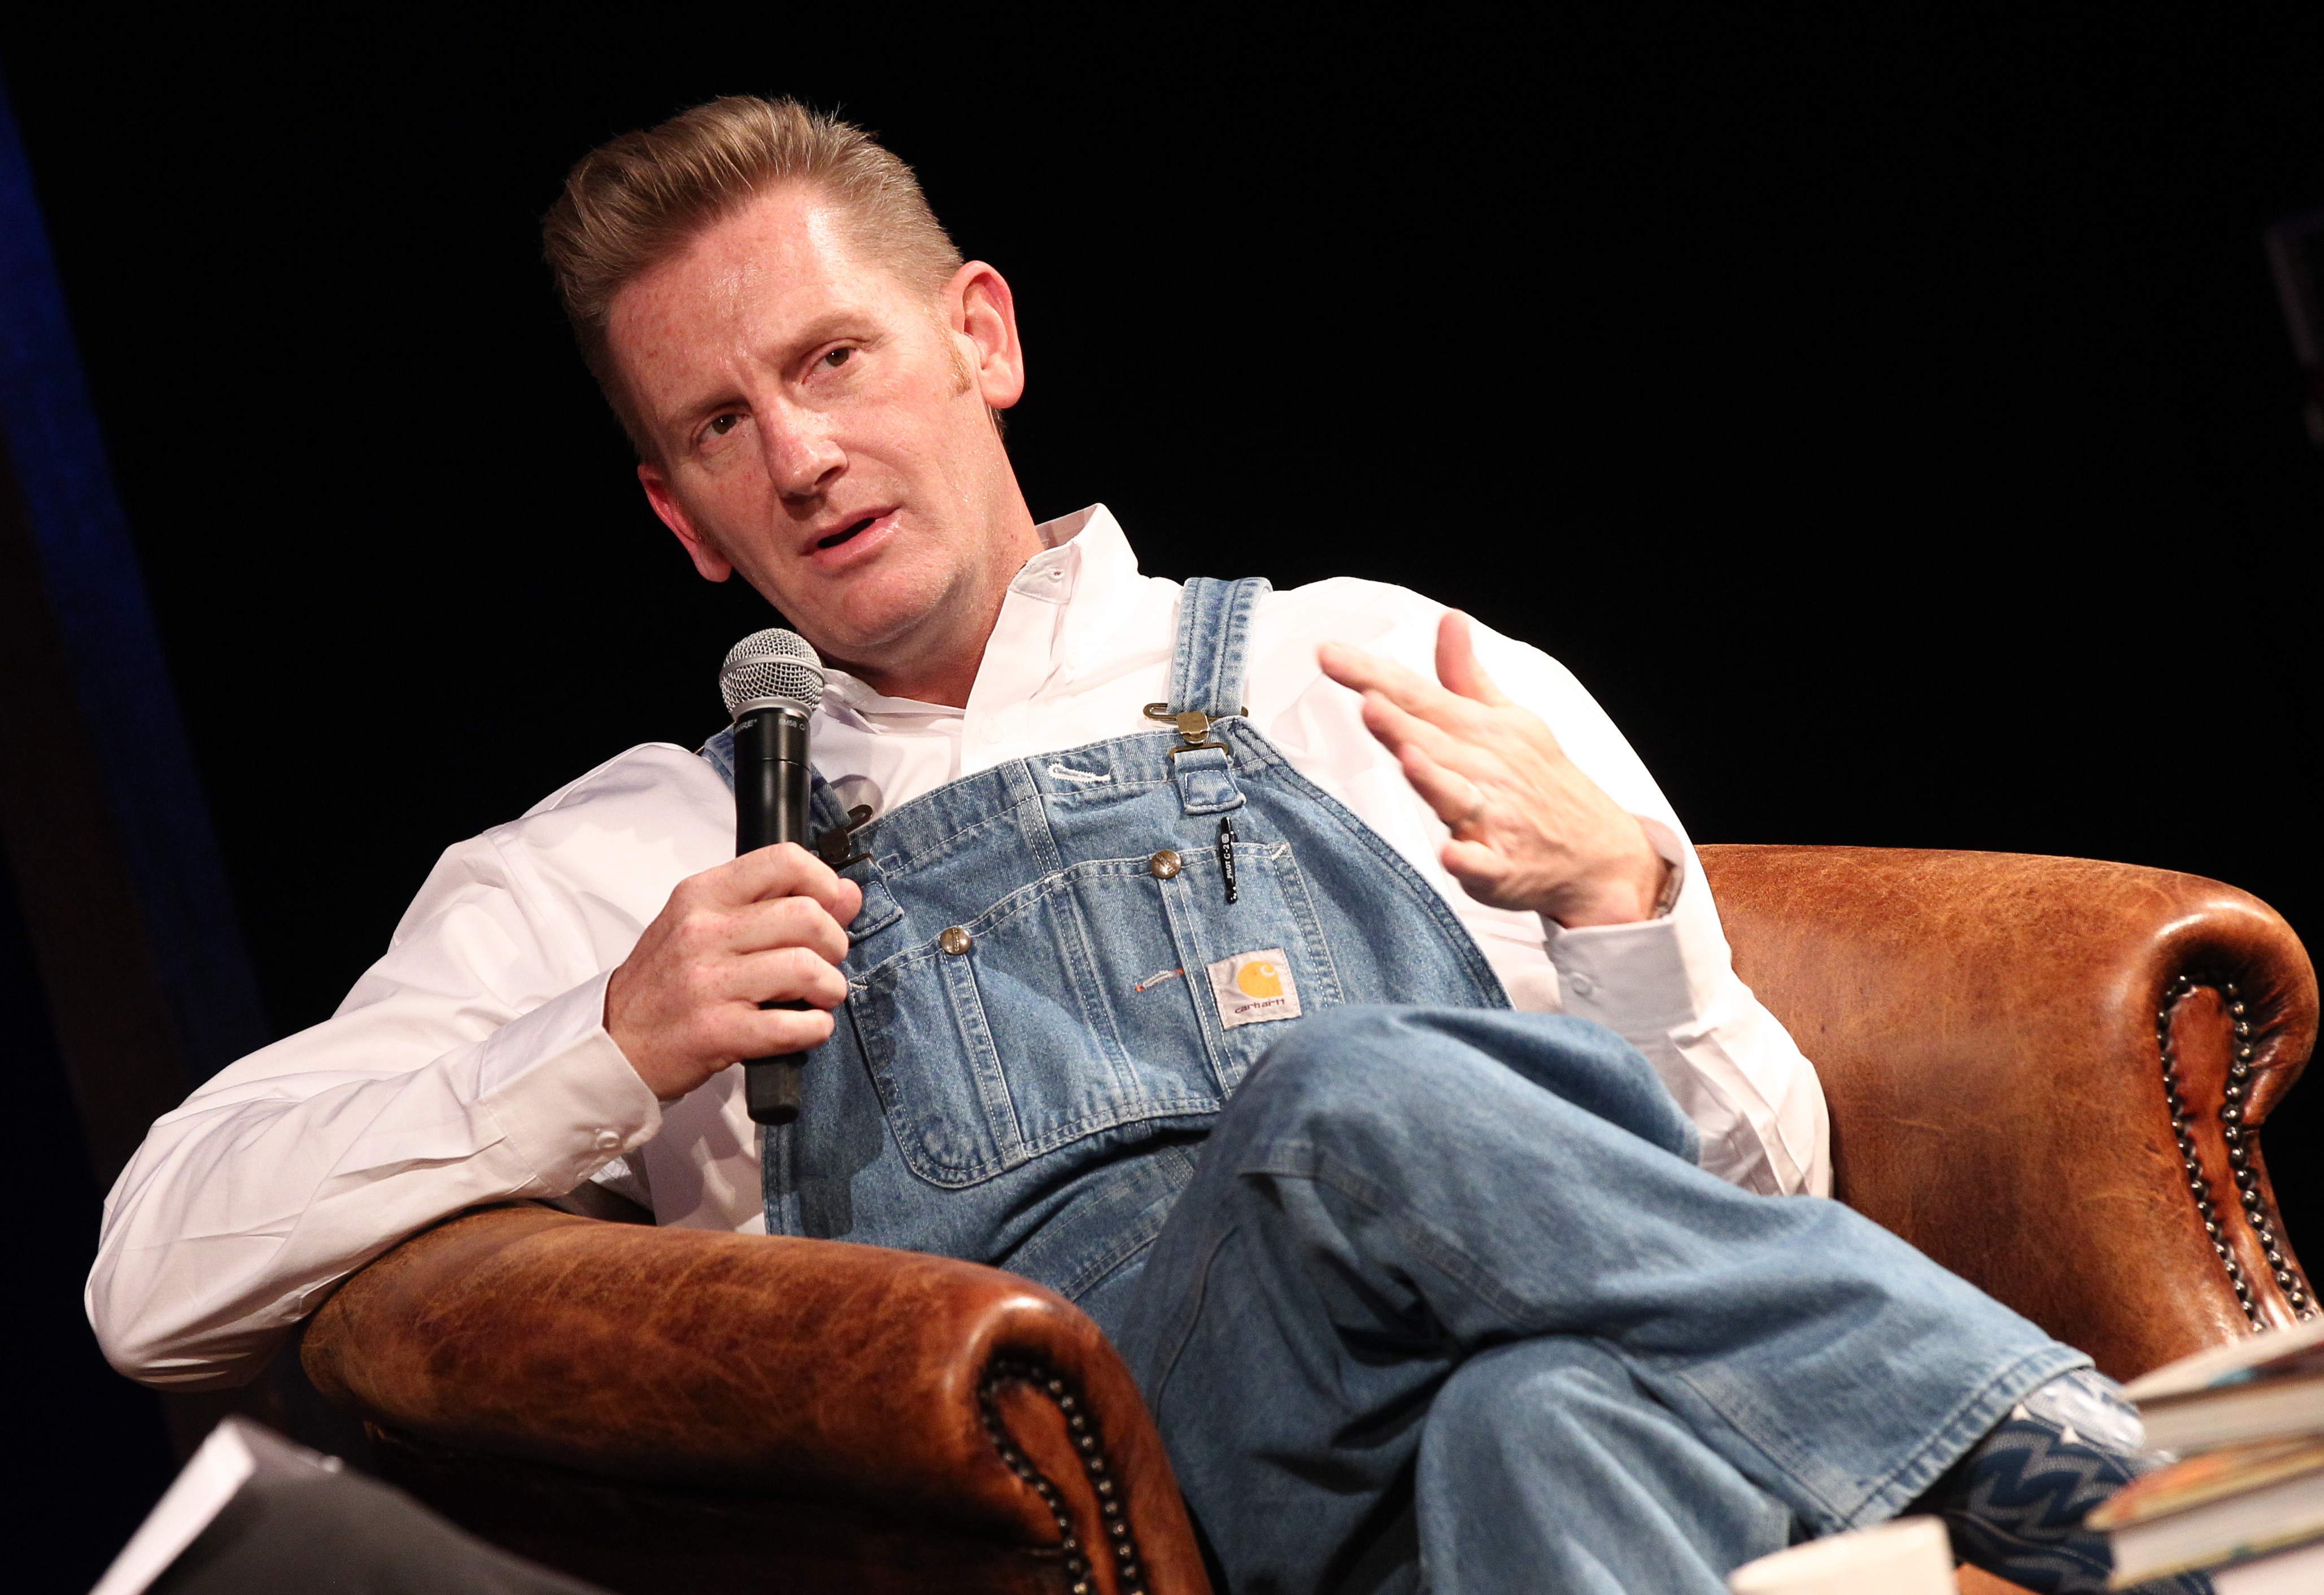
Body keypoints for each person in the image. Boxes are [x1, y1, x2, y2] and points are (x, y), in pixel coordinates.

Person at [87, 98, 2203, 1594]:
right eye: (720, 426)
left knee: (1542, 1419)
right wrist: (593, 1050)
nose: (802, 452)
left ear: (979, 341)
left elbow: (1744, 1215)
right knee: (1361, 1099)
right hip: (1102, 1504)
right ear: (679, 517)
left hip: (1452, 1477)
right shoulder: (629, 858)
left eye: (833, 360)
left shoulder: (1367, 666)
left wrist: (1633, 925)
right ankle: (2167, 1509)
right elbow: (153, 1264)